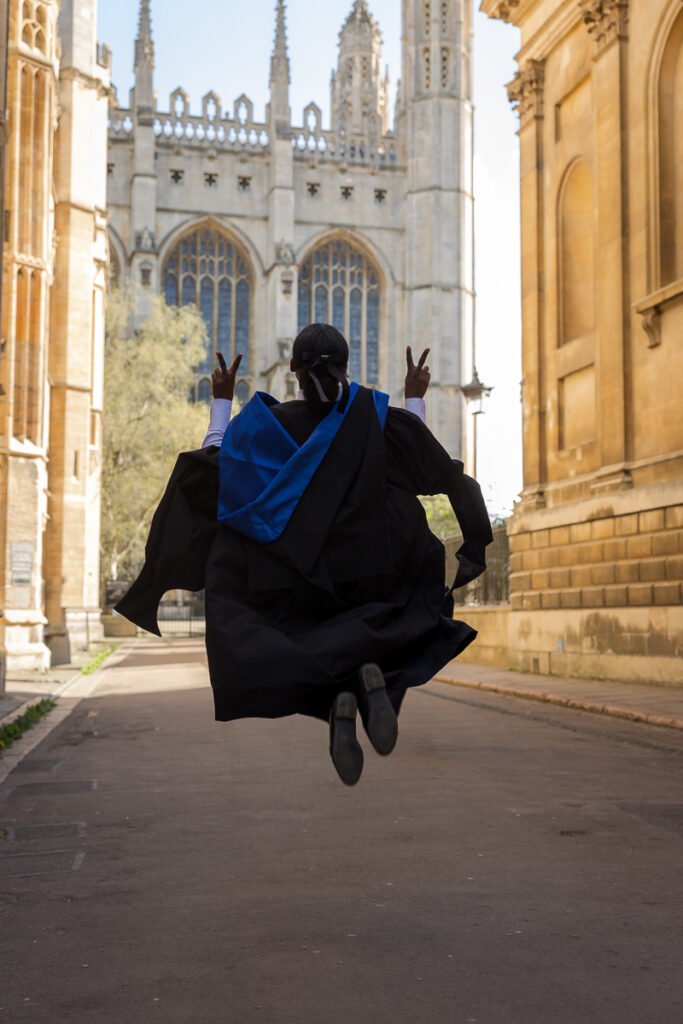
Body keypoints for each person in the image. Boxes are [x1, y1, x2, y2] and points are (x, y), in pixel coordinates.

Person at [116, 324, 492, 785]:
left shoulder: (259, 429)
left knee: (280, 645)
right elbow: (420, 465)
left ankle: (336, 702)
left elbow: (212, 468)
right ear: (346, 368)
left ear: (293, 369)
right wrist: (414, 398)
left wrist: (221, 402)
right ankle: (369, 682)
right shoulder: (371, 418)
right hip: (365, 580)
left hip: (289, 587)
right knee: (400, 625)